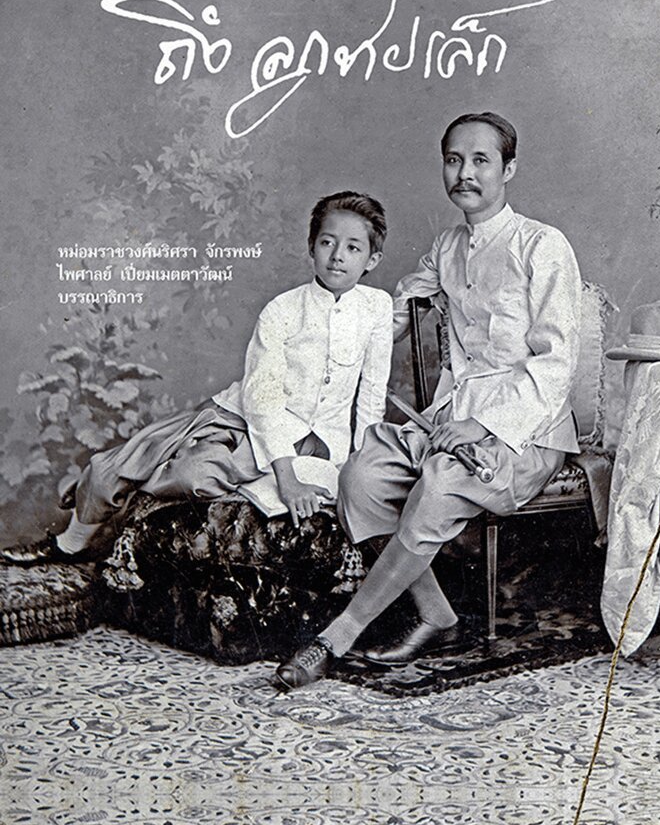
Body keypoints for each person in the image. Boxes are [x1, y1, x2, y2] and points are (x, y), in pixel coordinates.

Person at [276, 111, 582, 689]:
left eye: (481, 160)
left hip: (526, 434)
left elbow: (556, 363)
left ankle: (335, 638)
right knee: (360, 477)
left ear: (509, 169)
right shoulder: (447, 248)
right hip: (447, 422)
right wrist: (325, 329)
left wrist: (483, 426)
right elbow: (389, 316)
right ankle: (436, 613)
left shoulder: (542, 245)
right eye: (453, 160)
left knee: (439, 483)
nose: (465, 173)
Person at [2, 191, 393, 564]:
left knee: (193, 477)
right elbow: (262, 398)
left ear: (372, 260)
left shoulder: (377, 308)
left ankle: (148, 479)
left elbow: (372, 395)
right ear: (311, 247)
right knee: (125, 461)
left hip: (316, 440)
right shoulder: (282, 310)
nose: (337, 256)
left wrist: (360, 469)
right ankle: (71, 543)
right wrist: (287, 479)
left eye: (353, 248)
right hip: (240, 416)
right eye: (327, 242)